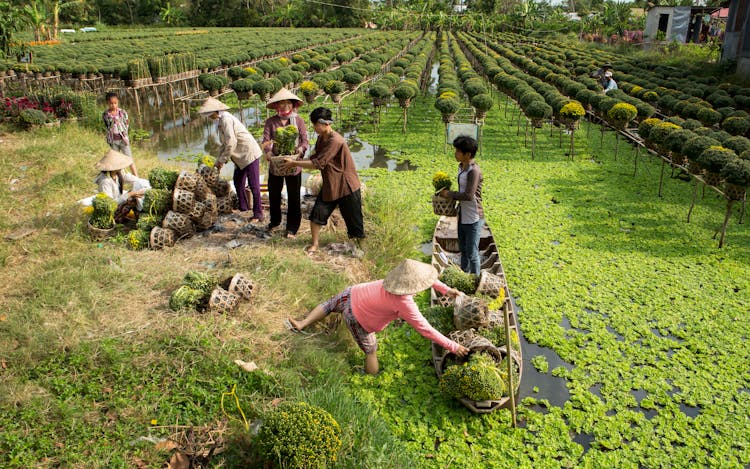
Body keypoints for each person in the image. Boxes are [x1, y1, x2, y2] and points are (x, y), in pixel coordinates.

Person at [286, 259, 470, 374]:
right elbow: (426, 330)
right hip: (355, 316)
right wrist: (453, 346)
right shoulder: (404, 303)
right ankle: (371, 379)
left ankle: (302, 323)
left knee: (329, 305)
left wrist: (446, 290)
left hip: (352, 292)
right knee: (371, 350)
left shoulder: (395, 280)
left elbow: (426, 279)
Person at [281, 107, 364, 254]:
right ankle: (314, 244)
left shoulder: (336, 140)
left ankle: (360, 248)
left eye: (315, 124)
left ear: (323, 123)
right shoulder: (321, 138)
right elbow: (314, 158)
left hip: (346, 186)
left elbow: (318, 164)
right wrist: (297, 158)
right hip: (331, 184)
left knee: (355, 223)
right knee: (317, 215)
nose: (313, 127)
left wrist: (294, 163)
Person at [198, 97, 263, 222]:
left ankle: (258, 214)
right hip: (239, 157)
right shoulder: (220, 121)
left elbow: (231, 143)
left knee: (254, 185)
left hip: (249, 154)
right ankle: (244, 208)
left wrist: (223, 160)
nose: (209, 117)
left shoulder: (226, 119)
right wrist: (218, 160)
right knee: (238, 182)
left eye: (209, 114)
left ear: (216, 112)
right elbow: (224, 144)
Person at [261, 88, 309, 239]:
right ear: (276, 106)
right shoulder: (270, 122)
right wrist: (268, 152)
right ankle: (275, 222)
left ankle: (292, 228)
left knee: (293, 196)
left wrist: (299, 151)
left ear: (293, 105)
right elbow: (266, 140)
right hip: (276, 164)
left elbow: (304, 140)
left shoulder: (298, 121)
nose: (285, 106)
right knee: (274, 194)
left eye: (288, 103)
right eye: (281, 104)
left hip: (293, 164)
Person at [439, 136, 484, 275]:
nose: (455, 153)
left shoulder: (474, 171)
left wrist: (449, 194)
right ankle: (465, 274)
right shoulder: (461, 167)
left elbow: (468, 195)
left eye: (458, 151)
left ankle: (476, 280)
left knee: (472, 253)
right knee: (463, 249)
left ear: (468, 154)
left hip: (474, 217)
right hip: (462, 214)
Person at [94, 149, 147, 222]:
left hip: (118, 203)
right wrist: (130, 194)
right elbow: (110, 203)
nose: (122, 167)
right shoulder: (105, 182)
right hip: (111, 211)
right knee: (132, 198)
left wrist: (143, 182)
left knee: (135, 193)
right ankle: (119, 218)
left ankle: (131, 217)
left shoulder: (117, 172)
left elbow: (128, 177)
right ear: (112, 168)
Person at [102, 91, 138, 177]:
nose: (113, 105)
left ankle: (136, 177)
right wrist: (113, 120)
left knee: (129, 159)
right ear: (107, 103)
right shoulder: (106, 114)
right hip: (113, 140)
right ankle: (117, 178)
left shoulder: (122, 112)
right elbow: (107, 126)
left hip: (123, 140)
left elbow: (126, 123)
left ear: (118, 102)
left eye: (115, 103)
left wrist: (124, 133)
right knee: (116, 160)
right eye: (111, 103)